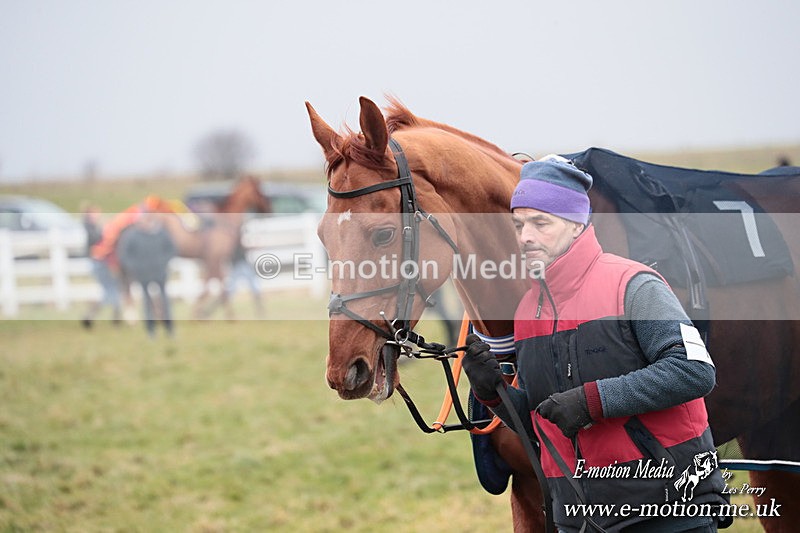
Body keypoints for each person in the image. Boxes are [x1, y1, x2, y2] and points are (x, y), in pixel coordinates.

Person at [462, 156, 731, 532]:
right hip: (579, 520)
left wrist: (592, 401)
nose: (525, 237)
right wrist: (494, 394)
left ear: (576, 224)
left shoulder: (634, 285)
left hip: (667, 511)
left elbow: (694, 371)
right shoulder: (527, 313)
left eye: (541, 223)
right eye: (519, 225)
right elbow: (545, 421)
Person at [117, 212, 177, 337]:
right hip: (143, 273)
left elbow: (171, 249)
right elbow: (124, 254)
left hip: (160, 272)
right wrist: (135, 267)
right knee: (146, 301)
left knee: (164, 300)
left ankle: (169, 328)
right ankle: (151, 330)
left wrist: (163, 262)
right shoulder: (132, 235)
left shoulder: (160, 233)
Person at [81, 202, 122, 328]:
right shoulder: (90, 228)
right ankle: (91, 316)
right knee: (111, 291)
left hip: (104, 262)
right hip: (99, 262)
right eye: (95, 213)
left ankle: (115, 317)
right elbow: (99, 242)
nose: (98, 215)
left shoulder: (94, 227)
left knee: (112, 289)